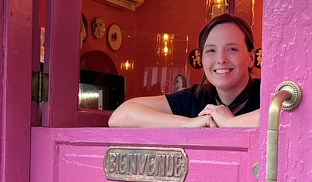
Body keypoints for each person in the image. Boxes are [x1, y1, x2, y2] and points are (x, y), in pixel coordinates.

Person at [108, 14, 261, 128]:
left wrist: (229, 122)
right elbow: (120, 116)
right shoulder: (196, 97)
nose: (221, 59)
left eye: (232, 49)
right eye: (211, 51)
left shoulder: (265, 94)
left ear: (251, 57)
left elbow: (282, 115)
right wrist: (190, 123)